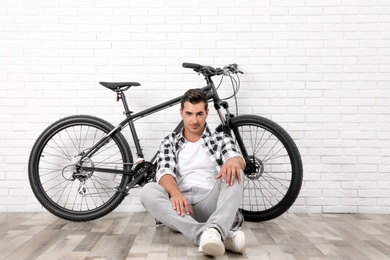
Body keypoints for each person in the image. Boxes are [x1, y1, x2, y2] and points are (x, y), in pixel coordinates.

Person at [140, 88, 246, 256]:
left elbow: (235, 156)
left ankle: (214, 230)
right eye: (189, 114)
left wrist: (234, 161)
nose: (194, 120)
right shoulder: (170, 141)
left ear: (206, 113)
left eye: (199, 114)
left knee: (236, 172)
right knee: (147, 191)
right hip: (180, 208)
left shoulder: (219, 139)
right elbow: (164, 171)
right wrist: (174, 193)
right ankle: (213, 233)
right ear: (181, 113)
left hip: (210, 203)